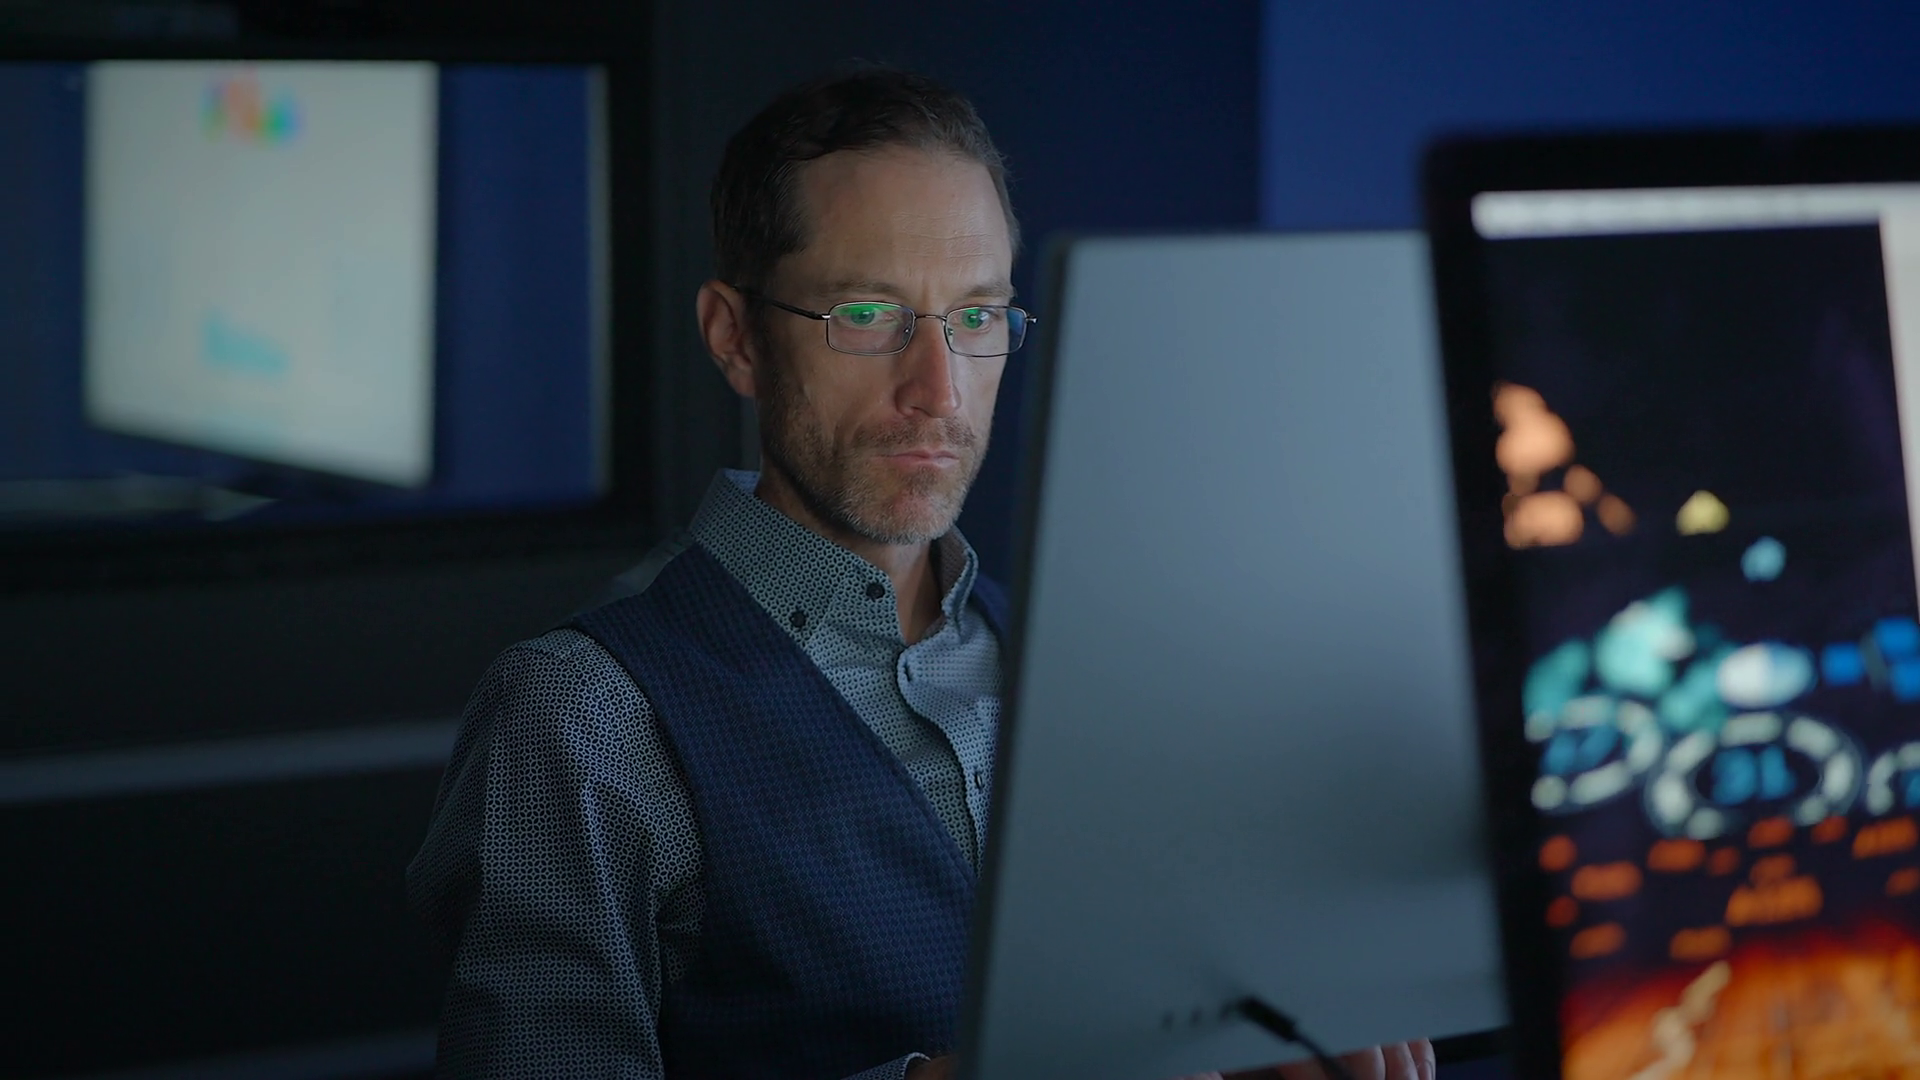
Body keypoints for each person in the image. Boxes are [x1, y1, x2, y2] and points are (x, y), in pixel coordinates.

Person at [407, 66, 1435, 1080]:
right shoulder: (578, 714)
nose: (938, 391)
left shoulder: (1088, 675)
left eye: (977, 317)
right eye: (866, 315)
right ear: (736, 338)